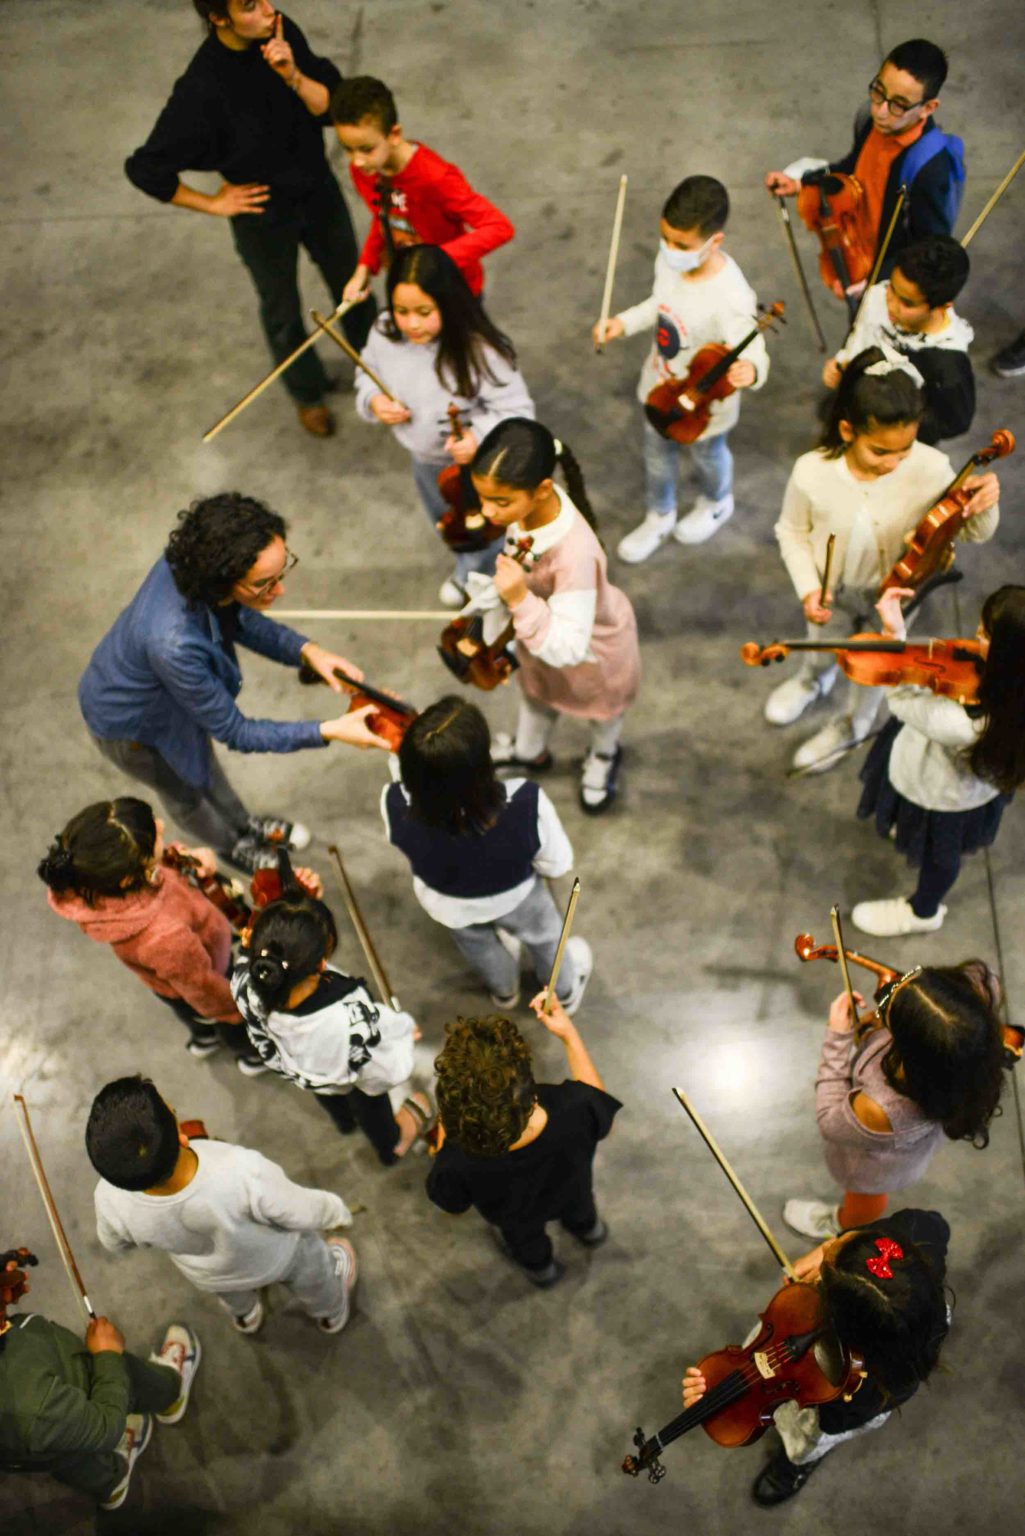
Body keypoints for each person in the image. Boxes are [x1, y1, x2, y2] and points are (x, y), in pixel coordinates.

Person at [78, 493, 389, 874]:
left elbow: (237, 617)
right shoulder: (173, 644)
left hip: (169, 688)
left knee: (205, 766)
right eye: (264, 583)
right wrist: (330, 730)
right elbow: (236, 731)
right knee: (186, 789)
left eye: (282, 572)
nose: (280, 591)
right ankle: (229, 844)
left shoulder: (196, 566)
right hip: (134, 726)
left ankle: (242, 823)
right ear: (223, 577)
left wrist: (308, 651)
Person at [124, 3, 375, 438]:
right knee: (281, 308)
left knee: (353, 285)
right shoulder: (202, 88)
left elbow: (331, 109)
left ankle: (378, 368)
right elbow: (146, 168)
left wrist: (293, 75)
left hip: (317, 188)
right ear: (219, 18)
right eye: (247, 6)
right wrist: (213, 203)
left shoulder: (279, 30)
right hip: (262, 212)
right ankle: (307, 393)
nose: (266, 9)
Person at [765, 347, 999, 773]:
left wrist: (984, 504)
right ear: (847, 430)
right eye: (879, 451)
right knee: (822, 642)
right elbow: (791, 531)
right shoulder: (811, 471)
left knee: (875, 668)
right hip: (832, 589)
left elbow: (972, 531)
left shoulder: (932, 469)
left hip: (895, 597)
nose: (893, 463)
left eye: (904, 450)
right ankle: (812, 680)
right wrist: (808, 588)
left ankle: (852, 725)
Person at [681, 1209, 950, 1504]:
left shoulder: (861, 1382)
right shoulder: (915, 1236)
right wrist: (828, 1248)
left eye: (822, 1278)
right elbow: (932, 1223)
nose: (827, 1247)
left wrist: (729, 1400)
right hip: (813, 1328)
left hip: (828, 1407)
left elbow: (817, 1404)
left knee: (807, 1439)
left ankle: (796, 1464)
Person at [89, 1077, 358, 1336]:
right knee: (313, 1274)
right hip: (278, 1257)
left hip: (210, 1275)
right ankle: (330, 1311)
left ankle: (246, 1315)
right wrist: (335, 1211)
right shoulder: (241, 1169)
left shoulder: (108, 1197)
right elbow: (298, 1210)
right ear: (182, 1137)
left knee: (232, 1294)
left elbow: (114, 1243)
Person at [468, 419, 642, 814]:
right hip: (539, 639)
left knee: (604, 715)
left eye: (500, 502)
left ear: (543, 489)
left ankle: (603, 756)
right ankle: (529, 751)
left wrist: (518, 598)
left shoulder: (573, 554)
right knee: (537, 696)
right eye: (483, 498)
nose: (487, 512)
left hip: (593, 654)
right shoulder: (528, 511)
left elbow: (568, 648)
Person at [594, 175, 769, 560]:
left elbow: (753, 345)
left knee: (709, 454)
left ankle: (717, 501)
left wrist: (752, 370)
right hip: (660, 386)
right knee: (657, 453)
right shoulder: (669, 262)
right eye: (665, 239)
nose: (670, 250)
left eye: (681, 245)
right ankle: (660, 513)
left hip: (705, 405)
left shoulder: (732, 297)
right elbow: (659, 304)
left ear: (714, 241)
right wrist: (623, 322)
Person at [382, 695, 592, 1013]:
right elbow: (557, 863)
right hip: (518, 897)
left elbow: (405, 801)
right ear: (482, 764)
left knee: (478, 946)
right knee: (547, 939)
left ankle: (504, 990)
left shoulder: (392, 802)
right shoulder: (525, 800)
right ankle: (563, 993)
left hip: (447, 902)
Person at [355, 244, 535, 606]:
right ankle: (470, 566)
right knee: (449, 523)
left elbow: (519, 410)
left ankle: (489, 573)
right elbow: (367, 369)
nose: (412, 324)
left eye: (424, 312)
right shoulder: (384, 331)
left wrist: (478, 435)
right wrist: (373, 400)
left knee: (490, 528)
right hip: (425, 459)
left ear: (448, 304)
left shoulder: (481, 350)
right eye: (402, 311)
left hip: (480, 468)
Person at [39, 797, 266, 1074]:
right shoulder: (164, 937)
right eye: (155, 836)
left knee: (192, 1014)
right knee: (226, 1023)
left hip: (174, 980)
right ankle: (250, 1056)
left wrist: (185, 857)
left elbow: (162, 861)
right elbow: (204, 990)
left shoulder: (95, 880)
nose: (161, 825)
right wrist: (235, 1009)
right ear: (131, 877)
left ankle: (204, 1037)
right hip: (211, 974)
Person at [852, 583, 1025, 936]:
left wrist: (895, 638)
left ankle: (922, 911)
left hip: (941, 792)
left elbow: (900, 700)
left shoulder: (962, 724)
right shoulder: (1013, 697)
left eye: (986, 635)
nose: (974, 636)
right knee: (941, 851)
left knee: (940, 857)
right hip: (981, 782)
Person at [784, 970, 1004, 1240]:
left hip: (872, 1166)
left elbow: (829, 1120)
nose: (886, 998)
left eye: (892, 1015)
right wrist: (871, 1034)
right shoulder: (964, 1050)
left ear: (911, 1049)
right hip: (910, 1151)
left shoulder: (881, 1107)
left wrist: (837, 1039)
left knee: (867, 1194)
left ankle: (843, 1225)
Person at [231, 879, 434, 1165]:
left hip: (300, 1069)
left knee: (328, 1093)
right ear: (321, 963)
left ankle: (344, 1122)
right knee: (370, 1105)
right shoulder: (348, 1019)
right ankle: (390, 1146)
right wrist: (401, 1035)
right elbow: (385, 1071)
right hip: (348, 1075)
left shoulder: (244, 978)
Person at [426, 994, 620, 1287]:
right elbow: (600, 1107)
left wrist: (443, 1133)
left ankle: (543, 1270)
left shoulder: (456, 1159)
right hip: (572, 1188)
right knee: (581, 1207)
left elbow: (452, 1203)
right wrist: (569, 1035)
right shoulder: (575, 1106)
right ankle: (590, 1230)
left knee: (525, 1240)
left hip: (514, 1215)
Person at [0, 1245, 199, 1511]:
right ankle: (171, 1394)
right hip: (78, 1389)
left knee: (67, 1459)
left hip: (35, 1446)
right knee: (127, 1387)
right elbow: (106, 1426)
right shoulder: (31, 1407)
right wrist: (108, 1356)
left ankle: (112, 1484)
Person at [765, 39, 964, 291]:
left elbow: (927, 249)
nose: (880, 111)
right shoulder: (872, 122)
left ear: (928, 108)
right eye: (879, 92)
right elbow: (853, 167)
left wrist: (876, 283)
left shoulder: (933, 170)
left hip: (882, 278)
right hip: (856, 247)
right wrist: (801, 183)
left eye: (899, 105)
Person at [331, 76, 514, 302]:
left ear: (394, 135)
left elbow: (499, 227)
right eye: (348, 149)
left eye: (366, 149)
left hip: (453, 293)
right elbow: (384, 217)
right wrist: (364, 268)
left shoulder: (436, 178)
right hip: (408, 290)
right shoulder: (365, 170)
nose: (357, 161)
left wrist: (435, 260)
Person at [824, 235, 974, 443]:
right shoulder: (878, 294)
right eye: (892, 288)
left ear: (942, 306)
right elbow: (859, 332)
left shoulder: (949, 365)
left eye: (907, 303)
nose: (891, 304)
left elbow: (955, 422)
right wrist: (842, 362)